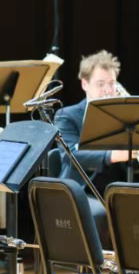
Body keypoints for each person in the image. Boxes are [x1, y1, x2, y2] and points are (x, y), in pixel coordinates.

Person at [52, 50, 132, 245]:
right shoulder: (66, 116)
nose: (107, 90)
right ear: (85, 84)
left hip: (117, 187)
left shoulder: (125, 118)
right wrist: (111, 155)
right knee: (100, 213)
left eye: (112, 84)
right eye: (100, 84)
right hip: (81, 190)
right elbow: (71, 154)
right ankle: (97, 265)